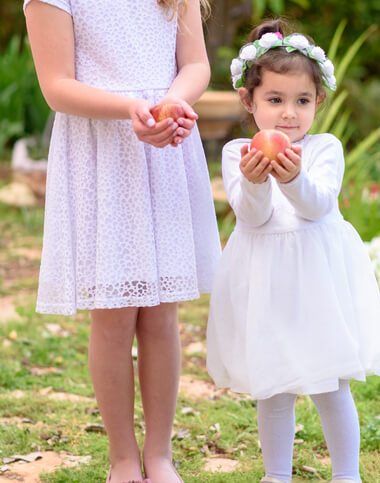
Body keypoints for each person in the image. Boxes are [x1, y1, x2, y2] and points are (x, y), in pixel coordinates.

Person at [23, 0, 221, 481]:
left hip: (165, 150)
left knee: (161, 314)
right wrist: (130, 107)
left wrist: (171, 103)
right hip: (102, 154)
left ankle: (159, 454)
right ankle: (123, 458)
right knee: (113, 318)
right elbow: (56, 86)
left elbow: (195, 64)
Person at [206, 19, 380, 483]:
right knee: (272, 388)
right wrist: (256, 182)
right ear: (249, 102)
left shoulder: (323, 149)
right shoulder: (238, 154)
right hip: (266, 283)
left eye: (302, 101)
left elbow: (317, 206)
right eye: (275, 100)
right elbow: (251, 217)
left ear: (318, 102)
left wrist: (291, 178)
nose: (288, 113)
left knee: (331, 384)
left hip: (317, 283)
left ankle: (346, 474)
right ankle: (276, 474)